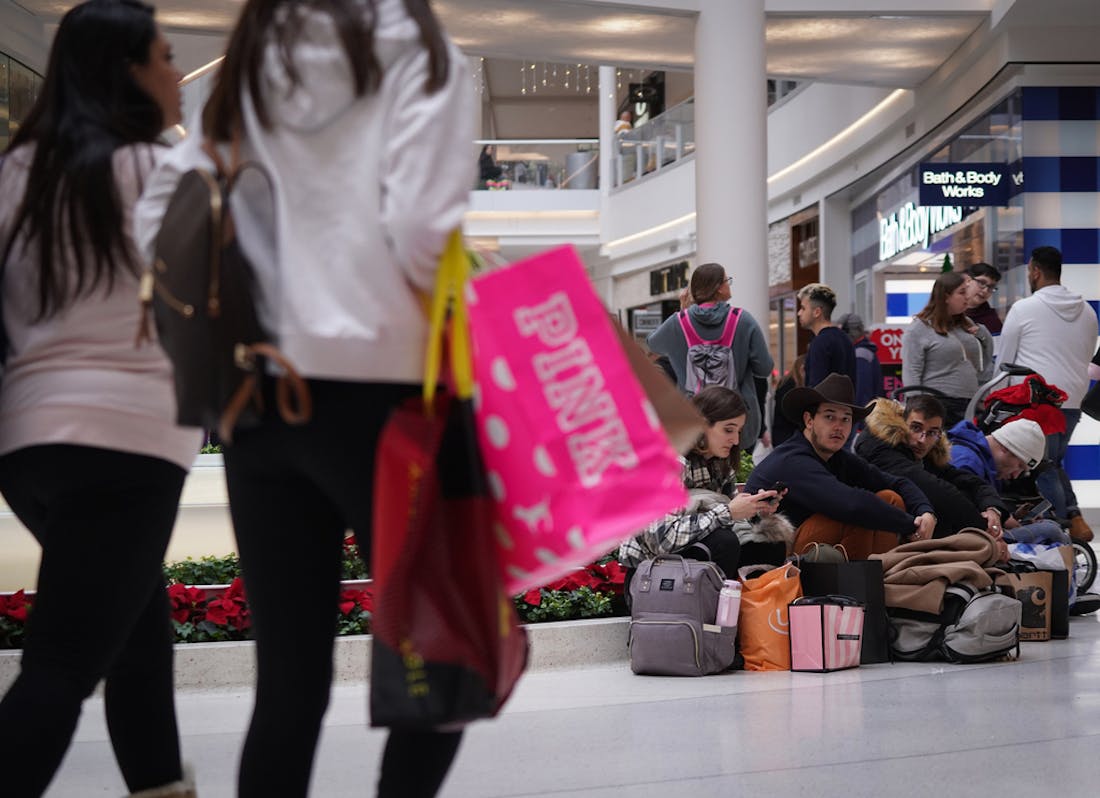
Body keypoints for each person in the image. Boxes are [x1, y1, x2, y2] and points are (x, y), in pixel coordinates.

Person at [136, 1, 476, 796]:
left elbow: (164, 212)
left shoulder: (254, 57)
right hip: (391, 396)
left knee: (289, 688)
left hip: (262, 403)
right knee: (443, 661)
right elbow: (425, 226)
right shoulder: (423, 52)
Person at [0, 3, 201, 796]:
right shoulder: (160, 170)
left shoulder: (14, 174)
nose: (176, 74)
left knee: (140, 639)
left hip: (27, 446)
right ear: (126, 71)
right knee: (62, 664)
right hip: (128, 442)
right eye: (164, 56)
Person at [745, 374, 936, 559]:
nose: (839, 426)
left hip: (811, 547)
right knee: (859, 513)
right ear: (809, 420)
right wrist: (911, 525)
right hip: (771, 553)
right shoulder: (793, 459)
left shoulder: (837, 457)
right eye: (829, 417)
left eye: (846, 419)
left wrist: (925, 512)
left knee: (889, 498)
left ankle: (880, 576)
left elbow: (895, 482)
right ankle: (874, 578)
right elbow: (851, 505)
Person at [618, 386, 791, 586]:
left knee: (771, 545)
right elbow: (661, 540)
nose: (735, 440)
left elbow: (726, 522)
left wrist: (755, 510)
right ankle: (713, 610)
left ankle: (748, 608)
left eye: (738, 431)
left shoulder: (721, 466)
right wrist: (727, 511)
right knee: (724, 542)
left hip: (690, 564)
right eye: (728, 429)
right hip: (651, 579)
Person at [855, 395, 1062, 550]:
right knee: (1051, 531)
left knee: (1051, 531)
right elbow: (938, 490)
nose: (922, 439)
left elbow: (968, 482)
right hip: (937, 535)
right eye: (916, 428)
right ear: (902, 424)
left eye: (932, 433)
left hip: (948, 533)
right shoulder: (880, 446)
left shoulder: (926, 451)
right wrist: (986, 531)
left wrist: (993, 509)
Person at [998, 245, 1099, 542]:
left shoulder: (1023, 309)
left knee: (1042, 466)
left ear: (1035, 270)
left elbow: (1005, 361)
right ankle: (1073, 518)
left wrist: (995, 401)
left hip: (1035, 400)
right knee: (1052, 462)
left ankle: (1060, 529)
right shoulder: (1088, 312)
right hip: (1072, 401)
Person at [646, 262, 774, 444]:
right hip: (737, 422)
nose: (729, 284)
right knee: (735, 468)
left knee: (696, 469)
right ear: (718, 288)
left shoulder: (678, 322)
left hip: (693, 419)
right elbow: (764, 368)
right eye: (727, 281)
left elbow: (653, 344)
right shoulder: (743, 320)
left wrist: (682, 313)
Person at [900, 271, 994, 427]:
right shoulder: (919, 328)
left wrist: (982, 334)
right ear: (946, 297)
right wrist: (916, 409)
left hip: (970, 403)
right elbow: (911, 370)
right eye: (962, 292)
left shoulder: (966, 324)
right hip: (938, 404)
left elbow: (985, 359)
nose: (967, 297)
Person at [797, 283, 856, 387]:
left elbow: (817, 390)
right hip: (846, 403)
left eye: (803, 308)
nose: (799, 313)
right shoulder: (845, 339)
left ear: (817, 312)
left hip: (825, 403)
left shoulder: (820, 343)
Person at [837, 312, 884, 410]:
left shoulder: (860, 355)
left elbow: (862, 394)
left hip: (862, 416)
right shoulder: (866, 351)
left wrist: (857, 419)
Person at [770, 355, 805, 447]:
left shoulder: (787, 382)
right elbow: (789, 412)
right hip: (787, 437)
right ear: (802, 369)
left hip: (783, 435)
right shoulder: (790, 385)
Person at [964, 262, 1003, 335]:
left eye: (991, 287)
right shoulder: (948, 311)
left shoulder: (992, 321)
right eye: (982, 283)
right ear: (967, 280)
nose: (985, 291)